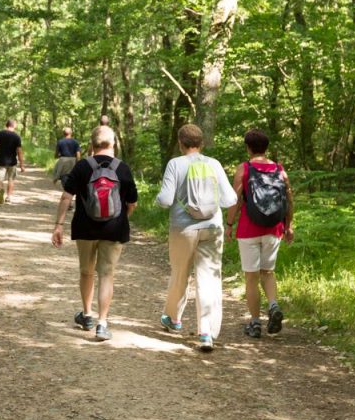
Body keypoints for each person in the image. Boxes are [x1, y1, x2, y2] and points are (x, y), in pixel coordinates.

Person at [50, 125, 137, 342]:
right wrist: (121, 218)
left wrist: (58, 225)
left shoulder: (82, 167)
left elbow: (66, 198)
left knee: (86, 272)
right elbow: (132, 203)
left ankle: (87, 315)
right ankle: (102, 323)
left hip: (85, 228)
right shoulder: (122, 168)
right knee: (106, 274)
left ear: (92, 144)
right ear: (113, 144)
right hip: (115, 229)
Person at [156, 123, 237, 352]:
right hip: (213, 227)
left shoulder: (175, 164)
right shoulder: (214, 164)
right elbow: (230, 199)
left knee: (180, 273)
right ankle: (206, 333)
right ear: (201, 144)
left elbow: (164, 200)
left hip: (183, 229)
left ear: (181, 143)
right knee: (209, 278)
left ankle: (173, 319)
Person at [225, 128, 294, 338]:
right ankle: (273, 305)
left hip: (248, 229)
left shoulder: (243, 169)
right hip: (274, 228)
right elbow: (289, 200)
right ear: (267, 147)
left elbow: (236, 200)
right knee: (268, 272)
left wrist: (229, 225)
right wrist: (289, 225)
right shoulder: (280, 170)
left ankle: (255, 324)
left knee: (251, 277)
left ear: (248, 147)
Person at [0, 120, 25, 204]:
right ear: (14, 126)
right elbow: (19, 152)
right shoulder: (17, 137)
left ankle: (1, 189)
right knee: (11, 180)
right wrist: (21, 165)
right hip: (12, 162)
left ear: (6, 125)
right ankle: (8, 197)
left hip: (1, 161)